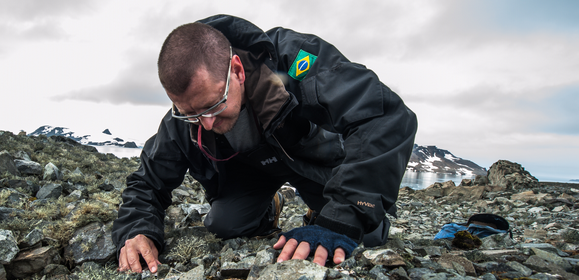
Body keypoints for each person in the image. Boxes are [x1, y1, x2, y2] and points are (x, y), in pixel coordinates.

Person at [111, 14, 417, 274]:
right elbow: (147, 181)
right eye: (189, 113)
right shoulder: (187, 115)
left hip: (310, 158)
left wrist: (343, 218)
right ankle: (272, 205)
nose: (205, 123)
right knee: (224, 225)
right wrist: (137, 230)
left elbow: (385, 116)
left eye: (213, 106)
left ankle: (319, 209)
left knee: (369, 233)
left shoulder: (297, 60)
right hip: (250, 171)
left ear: (237, 71)